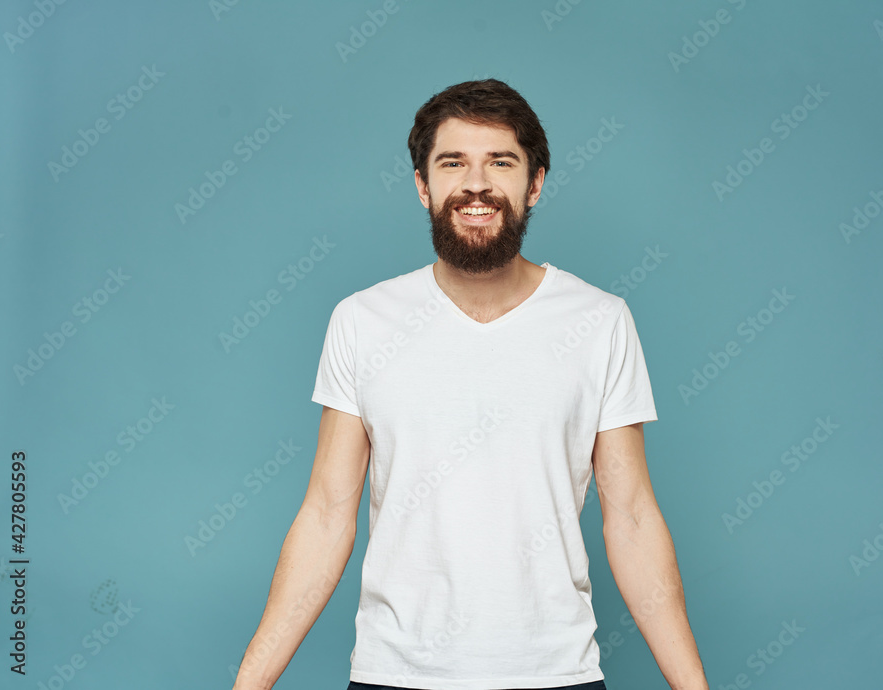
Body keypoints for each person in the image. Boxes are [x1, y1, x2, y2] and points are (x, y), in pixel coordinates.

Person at [232, 79, 709, 690]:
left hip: (556, 674)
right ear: (423, 184)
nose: (477, 183)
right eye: (453, 162)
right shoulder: (362, 320)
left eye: (500, 162)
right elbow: (327, 514)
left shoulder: (600, 321)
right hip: (395, 674)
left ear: (534, 182)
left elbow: (633, 518)